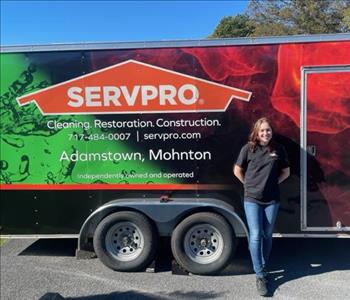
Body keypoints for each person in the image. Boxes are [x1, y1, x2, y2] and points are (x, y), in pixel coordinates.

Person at [233, 117, 290, 297]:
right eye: (262, 130)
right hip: (252, 199)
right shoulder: (248, 149)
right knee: (256, 234)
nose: (266, 133)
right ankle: (260, 275)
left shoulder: (278, 149)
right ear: (257, 132)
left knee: (267, 234)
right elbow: (237, 170)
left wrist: (274, 184)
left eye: (268, 130)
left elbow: (286, 172)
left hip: (272, 200)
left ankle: (263, 266)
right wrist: (247, 186)